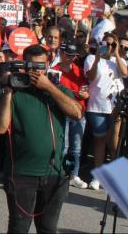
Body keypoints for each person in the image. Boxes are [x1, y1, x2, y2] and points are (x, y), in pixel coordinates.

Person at [0, 44, 83, 234]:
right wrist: (8, 91)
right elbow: (0, 129)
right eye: (31, 66)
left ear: (48, 65)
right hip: (21, 173)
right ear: (23, 66)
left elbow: (77, 113)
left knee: (48, 229)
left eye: (40, 67)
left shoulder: (58, 91)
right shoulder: (15, 92)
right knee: (19, 228)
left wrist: (49, 87)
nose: (35, 71)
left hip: (54, 172)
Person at [84, 32, 128, 190]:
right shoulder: (90, 58)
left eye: (113, 44)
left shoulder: (119, 60)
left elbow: (125, 73)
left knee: (115, 144)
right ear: (101, 44)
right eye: (107, 44)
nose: (109, 47)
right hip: (97, 106)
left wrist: (116, 55)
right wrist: (97, 58)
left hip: (116, 108)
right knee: (99, 142)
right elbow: (91, 77)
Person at [50, 44, 89, 188]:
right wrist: (74, 94)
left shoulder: (79, 70)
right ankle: (62, 173)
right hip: (63, 112)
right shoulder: (54, 71)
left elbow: (85, 89)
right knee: (64, 146)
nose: (71, 58)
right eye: (68, 54)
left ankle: (74, 175)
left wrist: (85, 94)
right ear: (61, 53)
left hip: (79, 112)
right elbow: (54, 91)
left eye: (73, 55)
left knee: (76, 148)